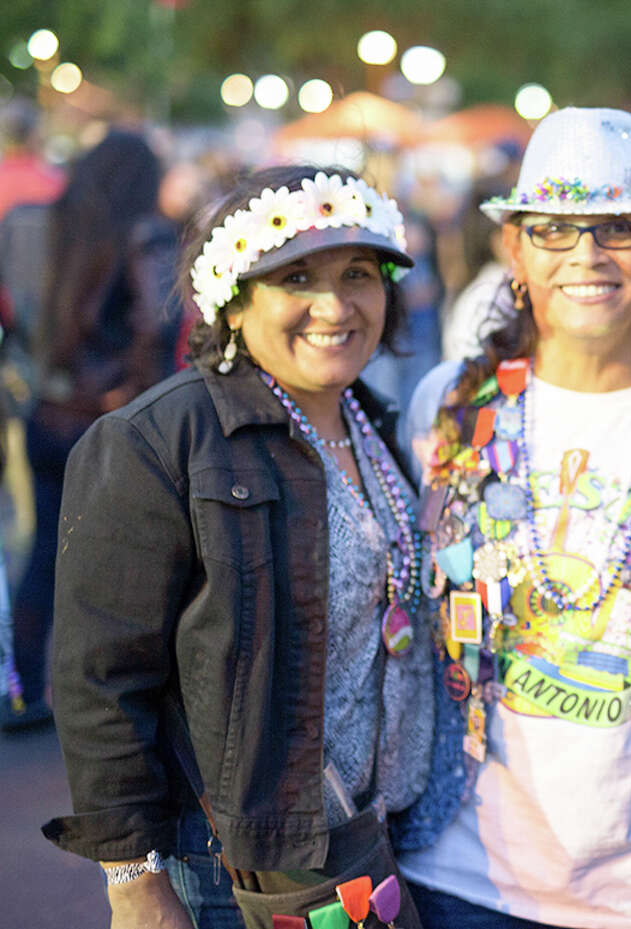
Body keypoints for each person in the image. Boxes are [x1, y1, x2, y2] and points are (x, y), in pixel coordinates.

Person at [391, 107, 631, 929]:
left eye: (620, 229)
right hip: (464, 875)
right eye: (556, 230)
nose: (586, 256)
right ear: (515, 249)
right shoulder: (448, 403)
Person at [43, 165, 427, 929]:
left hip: (379, 844)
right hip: (226, 865)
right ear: (234, 296)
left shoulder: (377, 422)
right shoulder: (159, 440)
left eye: (359, 273)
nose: (334, 304)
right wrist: (136, 887)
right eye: (296, 276)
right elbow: (101, 681)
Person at [3, 130, 178, 733]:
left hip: (44, 411)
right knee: (117, 568)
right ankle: (101, 707)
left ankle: (23, 689)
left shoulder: (34, 224)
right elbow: (155, 326)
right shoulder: (145, 233)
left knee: (43, 560)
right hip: (110, 423)